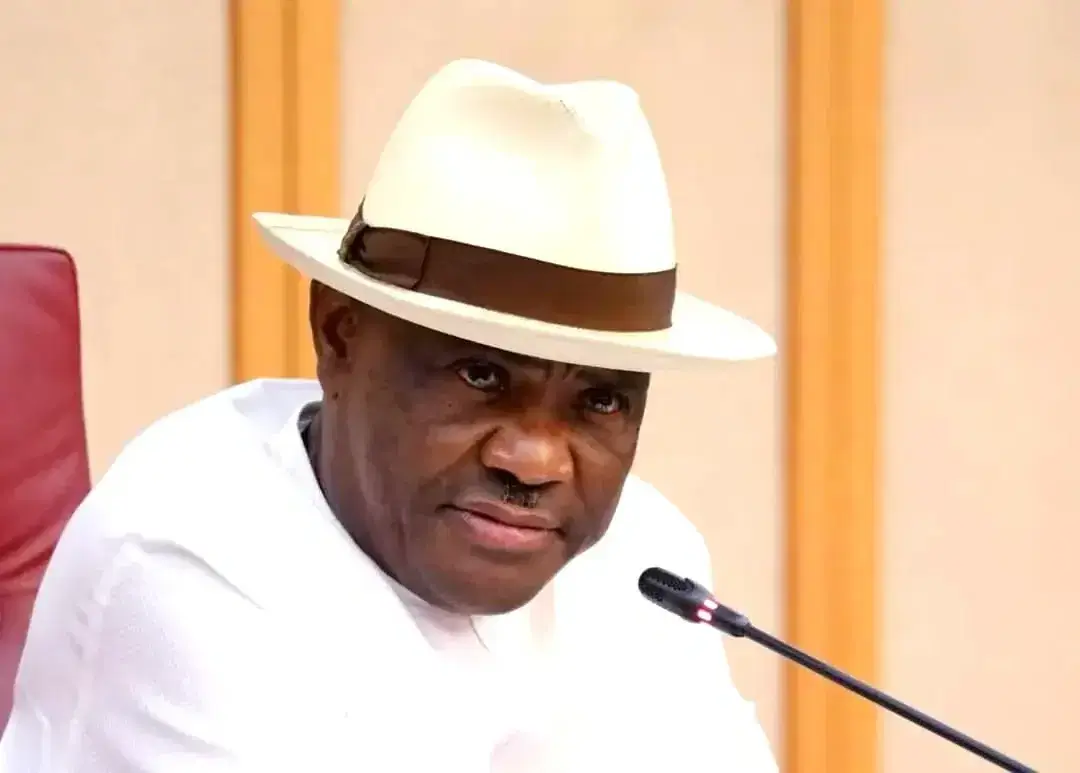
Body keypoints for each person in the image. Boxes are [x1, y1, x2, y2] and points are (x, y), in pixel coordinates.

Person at [0, 59, 779, 772]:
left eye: (601, 399)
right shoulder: (186, 558)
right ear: (340, 334)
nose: (536, 460)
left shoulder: (646, 560)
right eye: (481, 374)